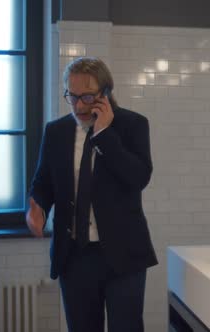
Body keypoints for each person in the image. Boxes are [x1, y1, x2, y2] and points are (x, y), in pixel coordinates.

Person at [26, 57, 157, 332]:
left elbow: (138, 178)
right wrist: (37, 207)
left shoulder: (133, 125)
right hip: (74, 256)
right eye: (71, 97)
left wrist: (105, 134)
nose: (79, 106)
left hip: (124, 254)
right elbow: (44, 180)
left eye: (87, 96)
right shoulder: (56, 131)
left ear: (106, 93)